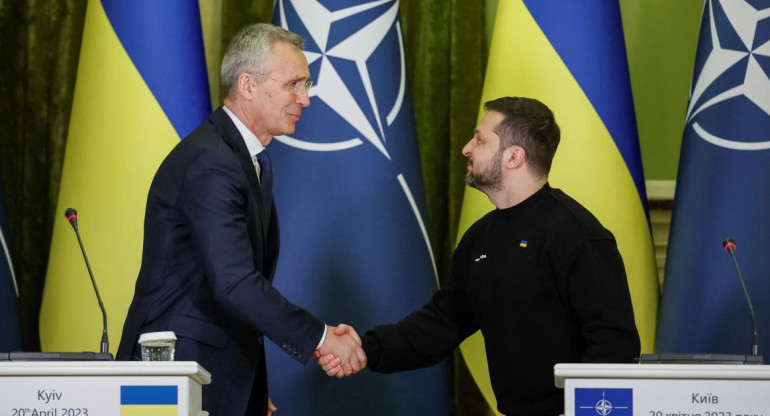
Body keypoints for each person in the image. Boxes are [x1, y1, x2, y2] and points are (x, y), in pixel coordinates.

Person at [322, 97, 641, 415]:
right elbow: (442, 323)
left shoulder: (578, 236)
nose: (466, 148)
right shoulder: (480, 238)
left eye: (479, 139)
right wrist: (364, 348)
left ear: (513, 157)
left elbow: (613, 346)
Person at [117, 23, 363, 416]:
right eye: (294, 85)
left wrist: (245, 387)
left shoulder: (243, 159)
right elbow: (235, 282)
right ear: (248, 85)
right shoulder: (212, 163)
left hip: (213, 373)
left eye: (307, 85)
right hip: (174, 374)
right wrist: (320, 338)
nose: (306, 99)